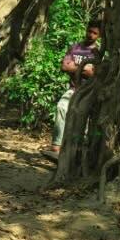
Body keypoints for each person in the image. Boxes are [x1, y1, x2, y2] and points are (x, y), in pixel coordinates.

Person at [49, 21, 102, 155]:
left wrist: (75, 67)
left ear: (99, 35)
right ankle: (56, 145)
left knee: (84, 119)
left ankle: (79, 151)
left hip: (89, 92)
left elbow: (93, 73)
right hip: (74, 89)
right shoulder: (75, 48)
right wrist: (85, 67)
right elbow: (65, 66)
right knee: (61, 107)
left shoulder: (98, 52)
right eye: (89, 31)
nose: (90, 35)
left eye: (95, 33)